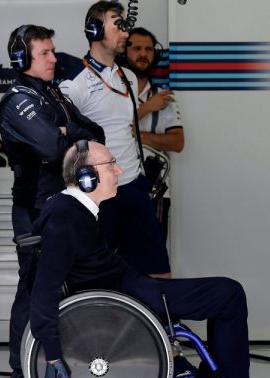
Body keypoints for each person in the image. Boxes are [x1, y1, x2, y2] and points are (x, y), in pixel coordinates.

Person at [28, 141, 270, 378]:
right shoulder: (64, 217)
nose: (119, 170)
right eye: (111, 164)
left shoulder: (71, 209)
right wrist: (51, 357)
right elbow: (43, 290)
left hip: (130, 290)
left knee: (224, 293)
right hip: (132, 299)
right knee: (229, 294)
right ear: (88, 176)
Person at [0, 24, 105, 378]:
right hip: (35, 211)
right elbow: (54, 147)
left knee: (69, 290)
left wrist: (66, 132)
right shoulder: (16, 101)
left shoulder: (52, 93)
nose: (53, 58)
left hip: (65, 206)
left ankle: (57, 374)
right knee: (33, 292)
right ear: (22, 59)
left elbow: (96, 132)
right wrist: (66, 136)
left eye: (53, 51)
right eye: (44, 53)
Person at [59, 1, 171, 279]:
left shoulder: (128, 77)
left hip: (134, 186)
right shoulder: (75, 83)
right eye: (116, 23)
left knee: (157, 270)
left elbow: (126, 128)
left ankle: (163, 322)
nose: (125, 31)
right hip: (99, 193)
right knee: (98, 274)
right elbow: (61, 138)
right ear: (95, 29)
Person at [125, 27, 184, 154]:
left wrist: (136, 135)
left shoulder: (163, 96)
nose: (143, 54)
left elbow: (178, 143)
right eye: (137, 48)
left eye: (148, 49)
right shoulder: (111, 91)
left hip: (154, 173)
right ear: (124, 53)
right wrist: (147, 108)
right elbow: (109, 132)